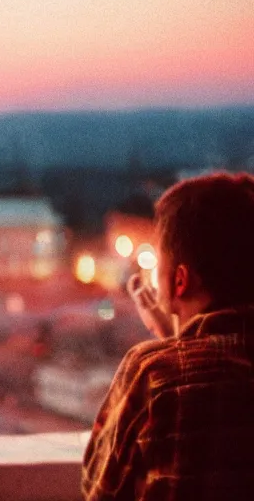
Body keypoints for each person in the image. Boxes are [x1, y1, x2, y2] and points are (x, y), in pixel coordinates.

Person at [82, 172, 254, 500]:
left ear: (179, 281)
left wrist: (170, 347)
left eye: (157, 260)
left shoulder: (154, 372)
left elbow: (98, 486)